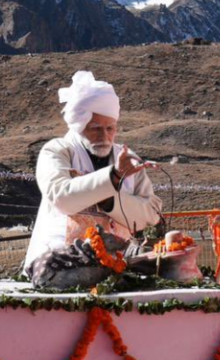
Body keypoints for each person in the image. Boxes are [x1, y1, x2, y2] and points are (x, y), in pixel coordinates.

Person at [22, 71, 162, 273]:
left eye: (110, 128)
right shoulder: (57, 151)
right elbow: (61, 198)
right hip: (58, 265)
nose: (104, 136)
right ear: (78, 125)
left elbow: (151, 213)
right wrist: (112, 178)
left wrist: (110, 202)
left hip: (118, 266)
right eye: (95, 128)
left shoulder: (126, 158)